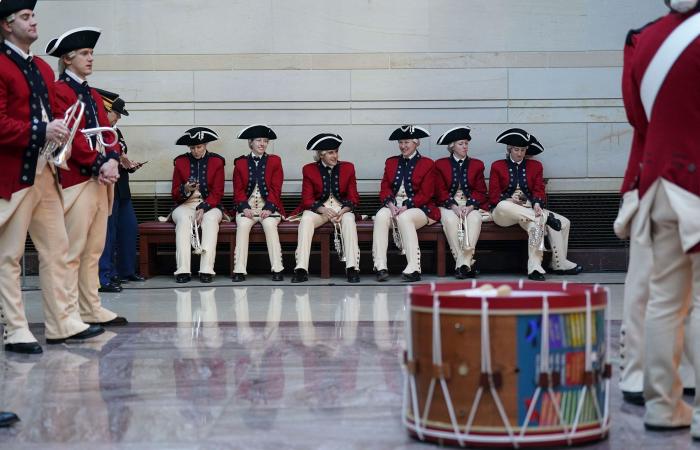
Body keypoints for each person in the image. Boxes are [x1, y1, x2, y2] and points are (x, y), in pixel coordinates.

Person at [0, 0, 103, 354]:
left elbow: (52, 116)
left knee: (57, 249)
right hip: (14, 175)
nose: (33, 22)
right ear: (6, 24)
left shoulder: (42, 67)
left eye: (33, 16)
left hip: (45, 171)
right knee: (9, 256)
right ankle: (15, 329)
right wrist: (43, 128)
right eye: (25, 17)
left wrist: (59, 133)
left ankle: (63, 323)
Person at [620, 0, 700, 433]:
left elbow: (637, 116)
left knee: (661, 299)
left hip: (656, 182)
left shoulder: (645, 38)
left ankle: (660, 403)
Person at [47, 26, 127, 327]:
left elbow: (109, 133)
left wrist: (112, 160)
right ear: (68, 59)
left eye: (91, 53)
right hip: (77, 180)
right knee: (73, 250)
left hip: (98, 180)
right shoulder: (59, 91)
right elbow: (72, 137)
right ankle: (67, 313)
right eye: (84, 53)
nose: (90, 58)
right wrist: (99, 164)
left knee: (94, 248)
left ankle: (90, 306)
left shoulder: (91, 93)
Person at [488, 128, 582, 281]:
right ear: (509, 149)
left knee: (558, 223)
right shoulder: (497, 166)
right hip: (504, 213)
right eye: (516, 149)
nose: (520, 153)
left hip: (528, 211)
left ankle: (543, 266)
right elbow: (493, 196)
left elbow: (539, 190)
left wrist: (537, 203)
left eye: (523, 150)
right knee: (504, 206)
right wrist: (510, 199)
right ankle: (545, 217)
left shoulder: (535, 166)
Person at [289, 133, 361, 283]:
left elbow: (354, 197)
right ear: (321, 155)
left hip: (342, 210)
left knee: (349, 220)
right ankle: (301, 268)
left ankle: (352, 267)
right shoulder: (309, 169)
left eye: (336, 151)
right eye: (330, 152)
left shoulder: (348, 168)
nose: (335, 156)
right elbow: (307, 199)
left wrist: (344, 210)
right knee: (307, 219)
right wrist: (322, 209)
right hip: (320, 211)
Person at [372, 125, 439, 282]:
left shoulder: (428, 163)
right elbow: (385, 187)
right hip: (394, 206)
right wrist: (390, 204)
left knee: (405, 217)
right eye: (400, 142)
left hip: (420, 209)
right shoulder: (391, 162)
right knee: (381, 216)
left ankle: (414, 267)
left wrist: (407, 205)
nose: (403, 146)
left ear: (416, 143)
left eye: (407, 142)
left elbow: (427, 193)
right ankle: (380, 266)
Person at [96, 88, 144, 292]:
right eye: (116, 114)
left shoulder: (116, 132)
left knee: (129, 229)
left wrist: (128, 164)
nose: (117, 119)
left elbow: (120, 154)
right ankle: (106, 274)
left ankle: (126, 270)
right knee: (108, 233)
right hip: (107, 188)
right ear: (106, 110)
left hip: (122, 188)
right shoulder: (98, 131)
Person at [170, 127, 225, 283]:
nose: (195, 151)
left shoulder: (217, 161)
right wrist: (185, 189)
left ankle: (206, 270)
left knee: (210, 220)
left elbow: (218, 192)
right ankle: (183, 270)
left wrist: (204, 208)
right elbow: (174, 193)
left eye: (199, 147)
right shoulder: (180, 162)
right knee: (183, 221)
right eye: (192, 147)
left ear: (206, 145)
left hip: (211, 205)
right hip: (185, 204)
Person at [231, 124, 285, 282]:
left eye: (265, 141)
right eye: (259, 140)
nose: (262, 144)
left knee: (269, 225)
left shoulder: (275, 161)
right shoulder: (240, 163)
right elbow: (238, 190)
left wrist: (269, 207)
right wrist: (244, 207)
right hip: (247, 208)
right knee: (242, 226)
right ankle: (239, 270)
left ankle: (277, 268)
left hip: (269, 207)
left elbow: (276, 188)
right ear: (250, 143)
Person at [434, 126, 488, 279]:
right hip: (448, 205)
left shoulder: (477, 164)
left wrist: (470, 206)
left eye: (466, 143)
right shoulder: (440, 164)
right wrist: (453, 206)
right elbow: (439, 190)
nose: (465, 146)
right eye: (461, 144)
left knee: (475, 219)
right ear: (452, 147)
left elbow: (480, 190)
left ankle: (461, 265)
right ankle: (466, 264)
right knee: (450, 221)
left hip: (470, 205)